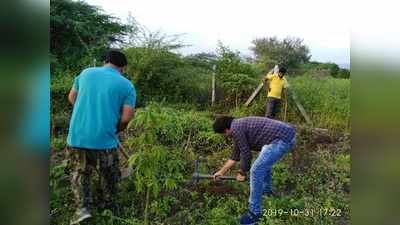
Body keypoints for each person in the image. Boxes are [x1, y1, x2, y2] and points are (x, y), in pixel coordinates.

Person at [66, 50, 136, 225]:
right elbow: (127, 117)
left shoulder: (86, 73)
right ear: (123, 68)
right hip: (105, 139)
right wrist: (117, 128)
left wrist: (86, 109)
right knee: (109, 174)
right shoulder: (126, 85)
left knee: (81, 173)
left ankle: (83, 209)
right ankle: (110, 206)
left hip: (77, 137)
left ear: (105, 61)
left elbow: (72, 97)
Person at [212, 116, 296, 225]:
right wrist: (221, 172)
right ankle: (267, 191)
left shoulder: (236, 129)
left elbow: (246, 154)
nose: (225, 136)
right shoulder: (238, 125)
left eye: (223, 134)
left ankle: (254, 213)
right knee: (263, 163)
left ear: (226, 130)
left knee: (256, 170)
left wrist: (242, 172)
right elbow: (235, 155)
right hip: (287, 135)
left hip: (282, 140)